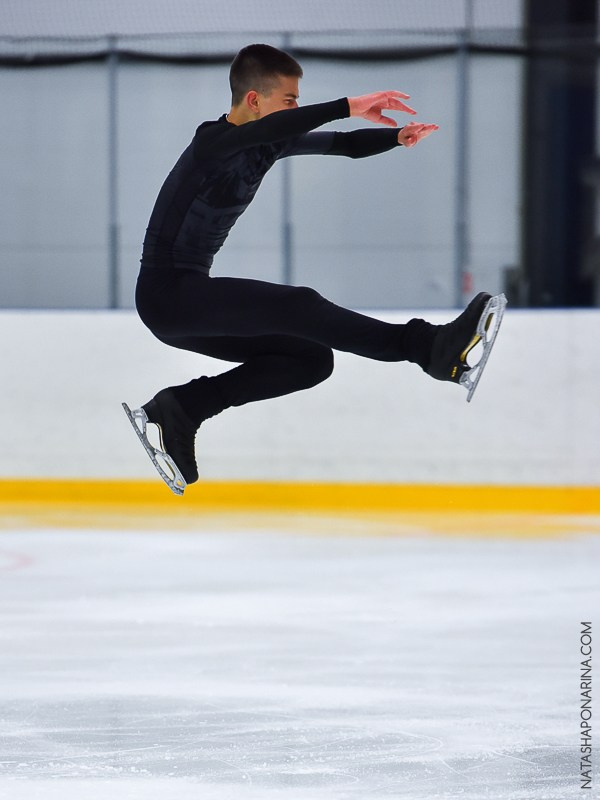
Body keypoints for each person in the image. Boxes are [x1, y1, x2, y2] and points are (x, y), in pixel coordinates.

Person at [124, 43, 502, 494]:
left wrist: (395, 137)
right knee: (297, 306)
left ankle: (182, 408)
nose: (296, 107)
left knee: (310, 359)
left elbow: (341, 145)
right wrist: (348, 104)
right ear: (253, 101)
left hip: (187, 308)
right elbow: (299, 126)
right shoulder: (212, 142)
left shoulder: (267, 144)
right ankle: (428, 347)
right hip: (167, 295)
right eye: (289, 99)